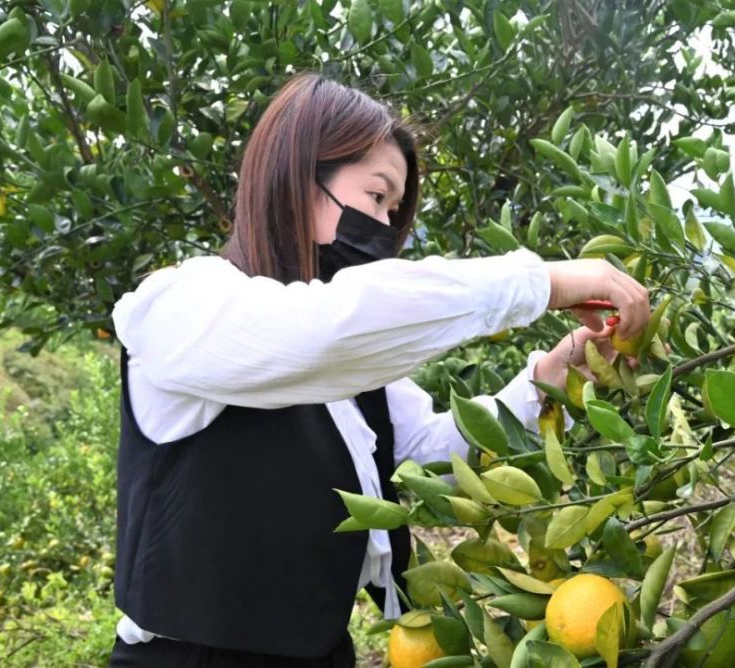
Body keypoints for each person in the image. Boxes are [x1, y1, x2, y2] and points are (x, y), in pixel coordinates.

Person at [106, 72, 649, 667]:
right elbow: (320, 332)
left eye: (395, 209)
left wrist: (554, 372)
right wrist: (542, 281)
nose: (388, 229)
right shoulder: (182, 303)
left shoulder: (351, 364)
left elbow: (429, 456)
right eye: (375, 197)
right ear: (297, 179)